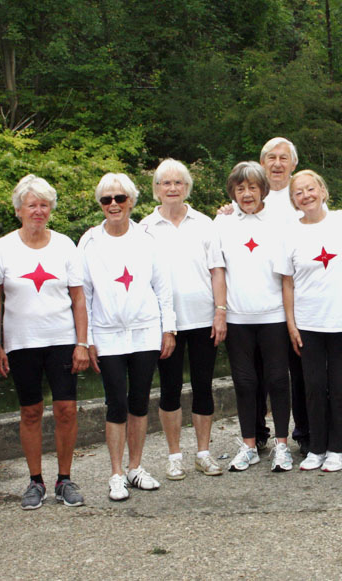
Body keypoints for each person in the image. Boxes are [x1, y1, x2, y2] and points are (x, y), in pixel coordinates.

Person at [0, 175, 89, 509]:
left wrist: (82, 343)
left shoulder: (65, 245)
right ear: (19, 209)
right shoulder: (2, 248)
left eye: (44, 205)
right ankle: (35, 481)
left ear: (51, 209)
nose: (38, 211)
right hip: (21, 342)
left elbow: (79, 298)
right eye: (32, 204)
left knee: (66, 409)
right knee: (31, 410)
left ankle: (65, 479)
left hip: (62, 338)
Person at [79, 173, 176, 501]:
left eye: (120, 198)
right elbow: (85, 295)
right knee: (116, 402)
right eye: (106, 200)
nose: (113, 205)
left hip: (145, 332)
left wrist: (169, 329)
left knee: (138, 402)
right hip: (107, 335)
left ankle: (136, 468)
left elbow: (163, 289)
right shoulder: (89, 241)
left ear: (131, 201)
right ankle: (116, 473)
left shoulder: (148, 239)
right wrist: (87, 338)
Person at [218, 138, 309, 454]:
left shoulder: (285, 216)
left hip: (275, 313)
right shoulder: (224, 221)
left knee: (280, 379)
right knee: (246, 381)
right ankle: (253, 440)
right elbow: (218, 270)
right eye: (240, 189)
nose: (246, 194)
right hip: (239, 315)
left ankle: (290, 440)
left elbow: (292, 268)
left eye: (252, 188)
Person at [142, 159, 227, 479]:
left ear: (187, 188)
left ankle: (203, 453)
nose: (172, 188)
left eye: (178, 183)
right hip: (166, 324)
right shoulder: (145, 229)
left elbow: (217, 271)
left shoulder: (205, 223)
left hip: (204, 318)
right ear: (156, 190)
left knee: (204, 386)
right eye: (166, 183)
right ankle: (174, 455)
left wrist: (221, 312)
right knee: (170, 388)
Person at [282, 170, 342, 472]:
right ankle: (316, 447)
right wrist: (291, 323)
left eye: (310, 188)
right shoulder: (289, 232)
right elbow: (287, 282)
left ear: (323, 190)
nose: (306, 195)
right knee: (312, 386)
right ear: (293, 200)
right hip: (307, 322)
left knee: (338, 385)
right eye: (298, 192)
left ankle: (338, 448)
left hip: (341, 319)